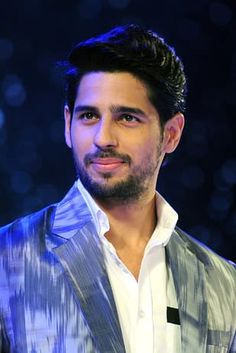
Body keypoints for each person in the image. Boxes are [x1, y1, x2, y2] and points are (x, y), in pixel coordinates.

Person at [0, 24, 235, 353]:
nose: (103, 138)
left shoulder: (224, 285)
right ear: (68, 124)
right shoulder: (8, 261)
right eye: (88, 116)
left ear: (171, 134)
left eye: (127, 117)